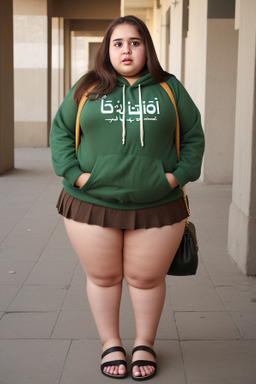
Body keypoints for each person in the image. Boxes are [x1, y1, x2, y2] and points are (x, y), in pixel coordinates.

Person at [50, 15, 204, 381]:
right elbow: (60, 133)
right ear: (107, 49)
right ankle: (110, 343)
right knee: (103, 277)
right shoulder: (87, 87)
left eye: (134, 42)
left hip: (158, 204)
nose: (126, 50)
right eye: (118, 43)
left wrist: (176, 176)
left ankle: (145, 343)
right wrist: (77, 175)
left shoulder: (170, 88)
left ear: (146, 47)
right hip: (91, 202)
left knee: (146, 278)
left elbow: (194, 136)